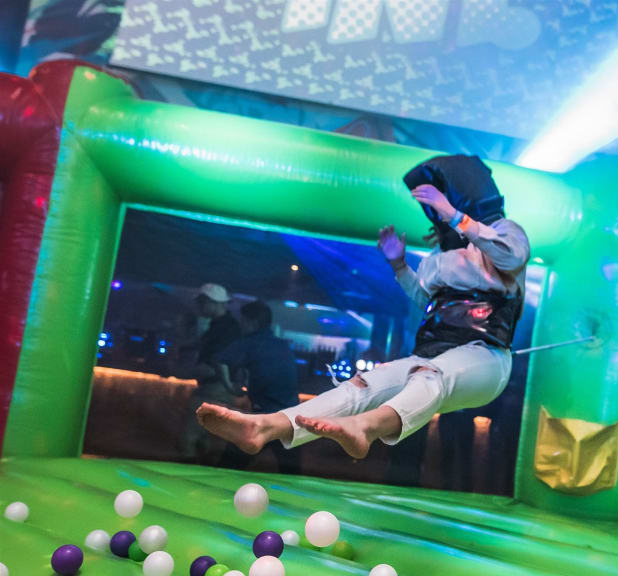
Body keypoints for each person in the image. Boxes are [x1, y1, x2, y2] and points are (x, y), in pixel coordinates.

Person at [196, 154, 529, 461]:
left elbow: (510, 256)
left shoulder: (505, 231)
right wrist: (398, 264)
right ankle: (266, 426)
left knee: (428, 375)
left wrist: (453, 214)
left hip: (485, 357)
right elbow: (426, 301)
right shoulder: (442, 254)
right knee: (364, 383)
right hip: (434, 354)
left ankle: (366, 427)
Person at [214, 300, 303, 472]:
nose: (241, 325)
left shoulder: (250, 342)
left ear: (252, 323)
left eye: (243, 321)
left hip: (264, 416)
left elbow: (220, 361)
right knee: (291, 474)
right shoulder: (283, 345)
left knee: (227, 468)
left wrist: (230, 387)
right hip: (291, 419)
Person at [177, 283, 242, 460]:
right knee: (204, 441)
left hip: (214, 390)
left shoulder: (223, 330)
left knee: (188, 439)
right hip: (218, 390)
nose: (199, 306)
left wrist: (182, 372)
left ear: (213, 302)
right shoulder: (224, 327)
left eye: (202, 302)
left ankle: (186, 472)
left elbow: (216, 365)